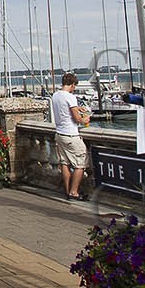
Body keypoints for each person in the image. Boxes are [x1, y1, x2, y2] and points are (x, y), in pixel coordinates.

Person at [50, 71, 92, 200]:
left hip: (60, 134)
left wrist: (77, 108)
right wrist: (85, 119)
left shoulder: (55, 95)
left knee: (65, 163)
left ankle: (68, 191)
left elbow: (65, 110)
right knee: (80, 163)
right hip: (71, 135)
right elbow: (76, 119)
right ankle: (74, 192)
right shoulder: (70, 97)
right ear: (73, 84)